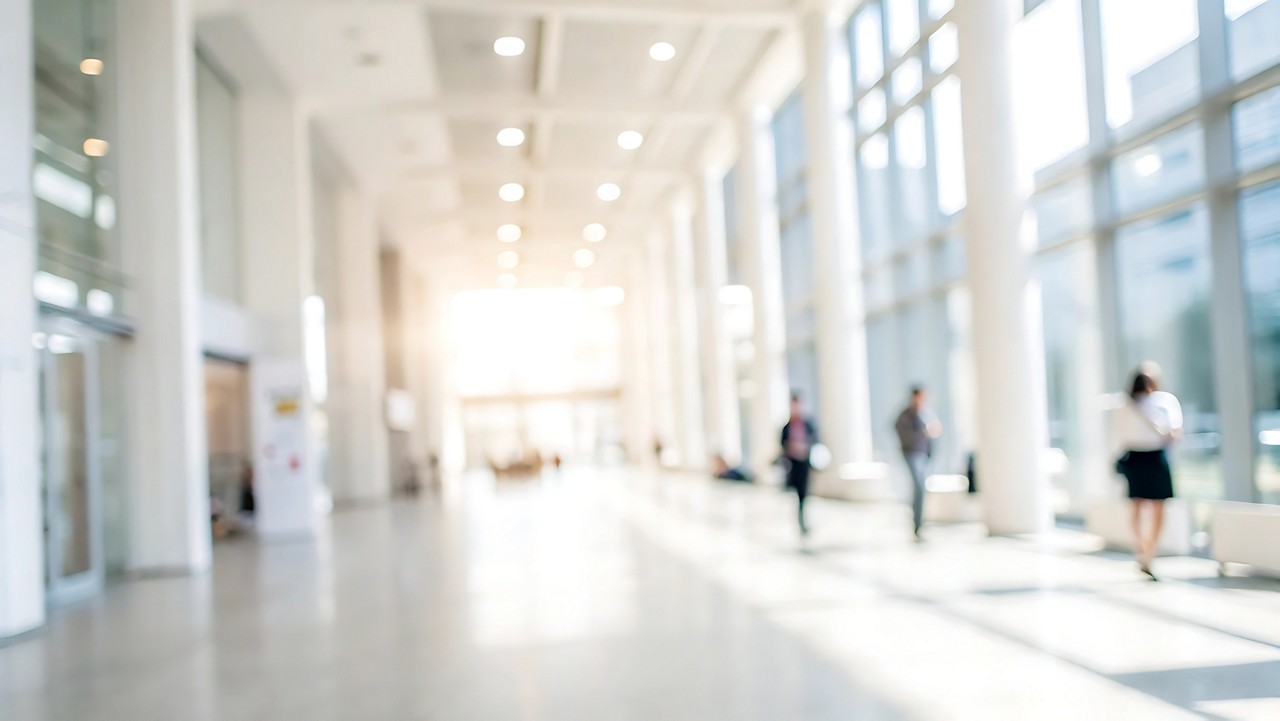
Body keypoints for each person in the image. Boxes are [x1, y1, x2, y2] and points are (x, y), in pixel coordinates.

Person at [1113, 370, 1181, 580]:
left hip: (1139, 457)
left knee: (1140, 504)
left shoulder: (1129, 404)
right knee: (1146, 505)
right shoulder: (1156, 403)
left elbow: (1118, 435)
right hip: (1149, 456)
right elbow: (1175, 432)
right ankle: (1147, 550)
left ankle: (1145, 549)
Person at [895, 386, 942, 541]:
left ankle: (919, 523)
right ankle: (917, 523)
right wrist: (923, 433)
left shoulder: (925, 413)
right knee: (919, 487)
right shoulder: (905, 416)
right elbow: (905, 435)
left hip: (923, 455)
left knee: (921, 489)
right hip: (912, 454)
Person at [780, 393, 818, 535]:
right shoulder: (787, 426)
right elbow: (782, 443)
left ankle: (803, 520)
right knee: (797, 494)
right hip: (793, 465)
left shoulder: (807, 424)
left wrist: (805, 447)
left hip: (805, 464)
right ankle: (800, 520)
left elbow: (814, 439)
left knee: (804, 493)